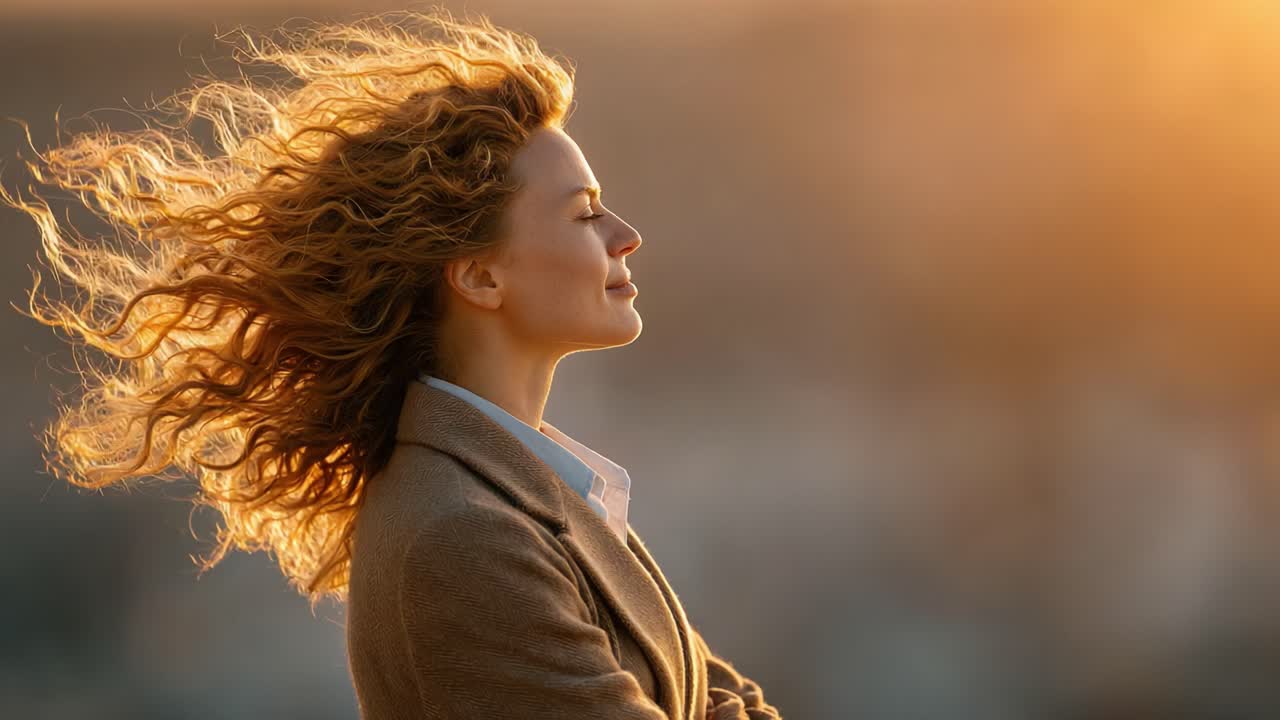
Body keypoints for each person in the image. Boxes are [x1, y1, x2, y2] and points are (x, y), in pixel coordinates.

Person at [3, 7, 782, 719]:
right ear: (479, 275)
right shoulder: (463, 536)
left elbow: (731, 697)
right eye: (584, 214)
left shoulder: (533, 492)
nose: (626, 233)